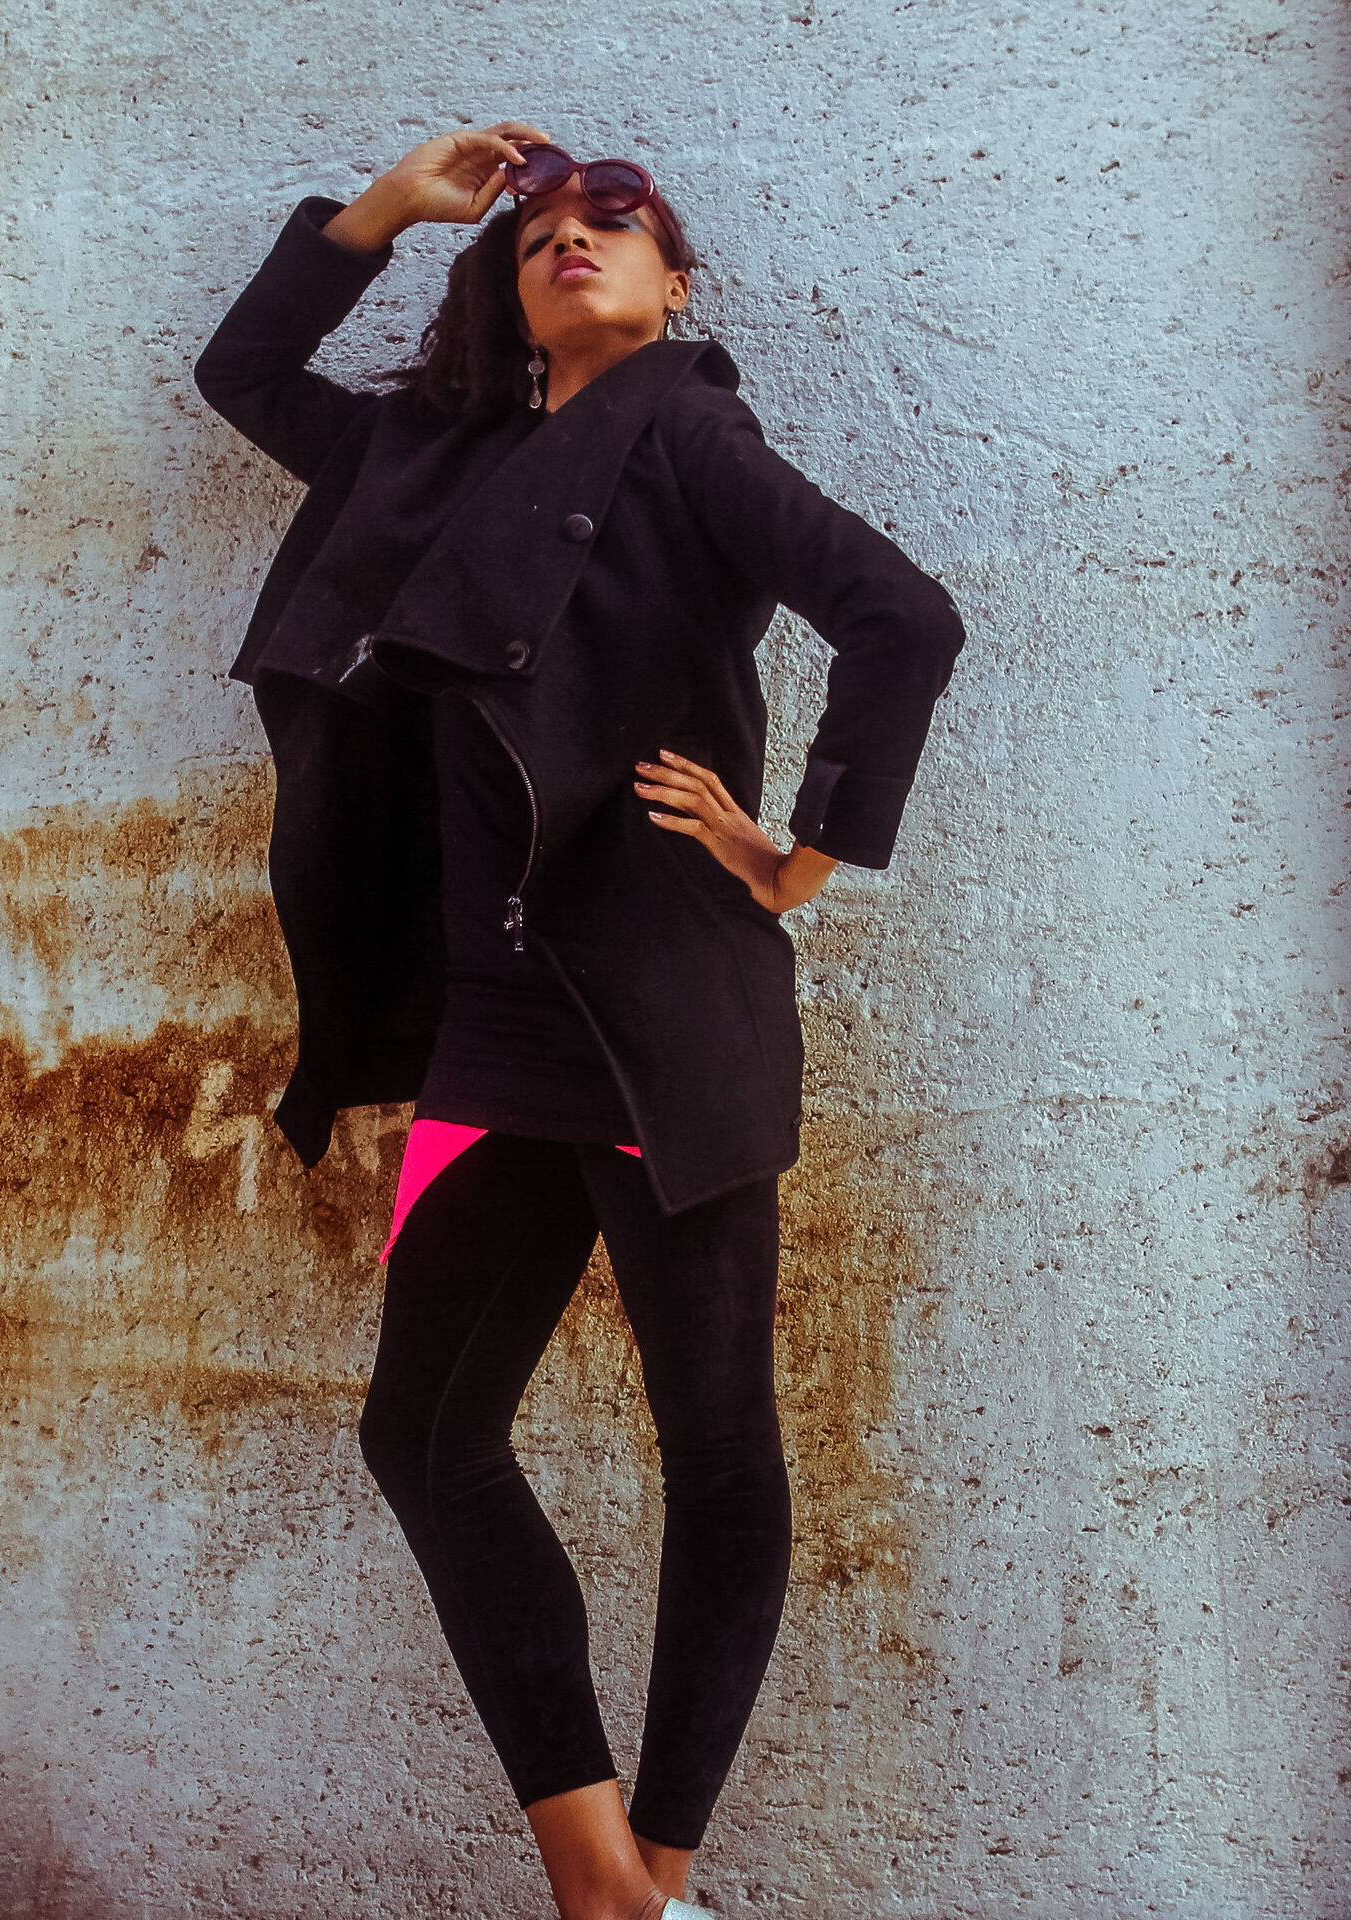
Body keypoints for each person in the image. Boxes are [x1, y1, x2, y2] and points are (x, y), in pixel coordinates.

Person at [193, 121, 965, 1920]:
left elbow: (902, 618)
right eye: (542, 224)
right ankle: (602, 1882)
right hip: (491, 1032)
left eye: (618, 220)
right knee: (425, 1437)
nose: (575, 233)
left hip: (660, 1011)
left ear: (675, 282)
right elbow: (246, 373)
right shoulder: (421, 456)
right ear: (508, 282)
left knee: (719, 1448)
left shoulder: (691, 437)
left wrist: (804, 854)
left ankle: (658, 1873)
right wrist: (392, 208)